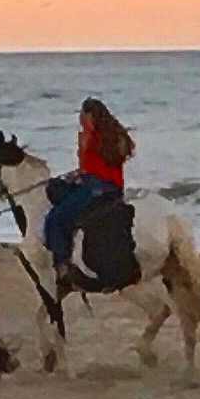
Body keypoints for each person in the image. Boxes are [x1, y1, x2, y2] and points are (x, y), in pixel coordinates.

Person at [41, 95, 135, 281]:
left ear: (90, 116)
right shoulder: (116, 136)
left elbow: (88, 168)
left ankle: (62, 263)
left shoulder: (90, 136)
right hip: (114, 187)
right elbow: (107, 164)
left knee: (54, 219)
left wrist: (81, 162)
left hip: (94, 187)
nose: (81, 119)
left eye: (83, 115)